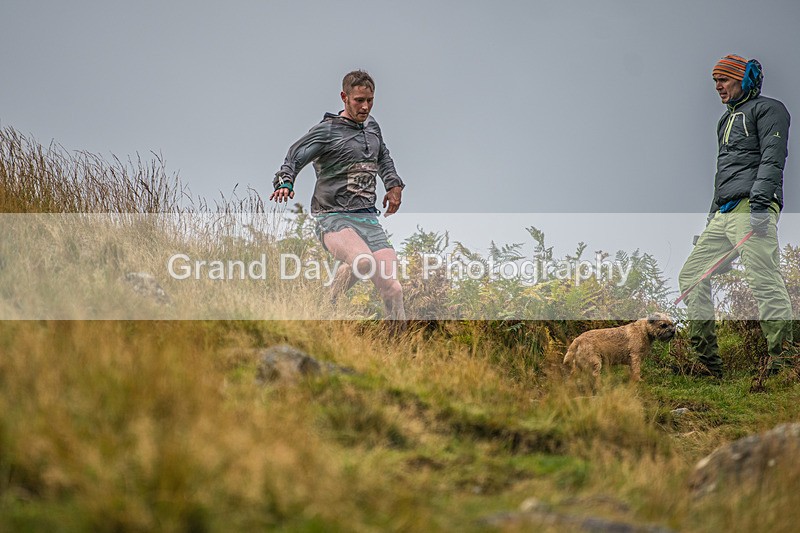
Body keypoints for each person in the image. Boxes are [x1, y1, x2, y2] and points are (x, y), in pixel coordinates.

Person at [678, 54, 795, 378]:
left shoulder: (770, 110)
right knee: (691, 277)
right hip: (724, 213)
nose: (718, 86)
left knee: (763, 278)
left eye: (724, 80)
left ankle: (784, 361)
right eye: (715, 81)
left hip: (753, 206)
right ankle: (707, 363)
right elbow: (723, 174)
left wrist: (760, 205)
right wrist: (711, 217)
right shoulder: (724, 121)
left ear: (743, 81)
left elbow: (773, 158)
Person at [270, 70, 406, 322]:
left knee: (394, 289)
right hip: (333, 217)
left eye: (370, 100)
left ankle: (400, 343)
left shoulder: (373, 127)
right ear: (344, 97)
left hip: (368, 219)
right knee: (362, 261)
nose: (365, 107)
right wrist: (286, 179)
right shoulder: (328, 130)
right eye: (358, 100)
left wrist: (393, 184)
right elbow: (295, 154)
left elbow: (383, 157)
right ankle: (326, 303)